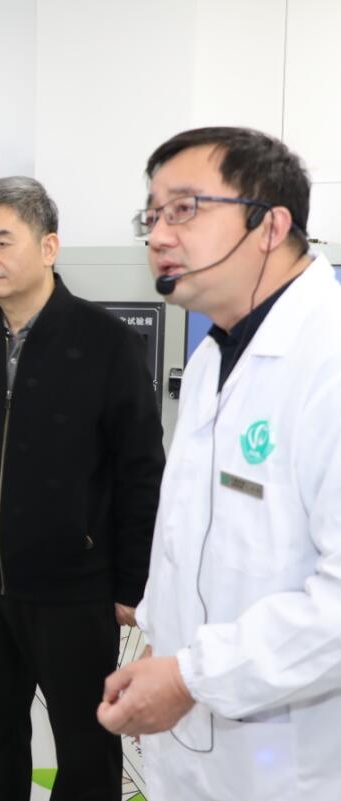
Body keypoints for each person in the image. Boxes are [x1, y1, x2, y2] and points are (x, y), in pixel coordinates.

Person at [97, 127, 341, 800]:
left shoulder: (328, 359)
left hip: (293, 763)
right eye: (152, 215)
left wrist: (190, 675)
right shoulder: (213, 356)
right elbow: (194, 532)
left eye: (184, 209)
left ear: (271, 225)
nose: (158, 235)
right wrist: (162, 640)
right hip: (196, 742)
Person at [0, 176, 165, 801]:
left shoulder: (107, 342)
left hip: (73, 585)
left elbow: (140, 469)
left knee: (86, 747)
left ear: (48, 246)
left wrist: (132, 583)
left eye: (2, 242)